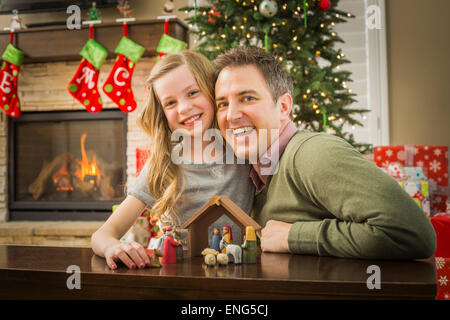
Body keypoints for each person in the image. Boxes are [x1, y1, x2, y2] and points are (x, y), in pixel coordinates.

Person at [214, 46, 436, 260]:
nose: (231, 115)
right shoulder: (253, 175)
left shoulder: (313, 154)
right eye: (222, 104)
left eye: (248, 98)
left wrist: (293, 236)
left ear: (283, 107)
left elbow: (413, 233)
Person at [91, 50, 255, 270]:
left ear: (212, 89)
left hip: (238, 274)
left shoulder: (244, 149)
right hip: (180, 277)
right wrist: (112, 246)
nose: (184, 108)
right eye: (170, 103)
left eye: (193, 92)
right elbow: (102, 235)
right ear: (162, 113)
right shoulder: (163, 163)